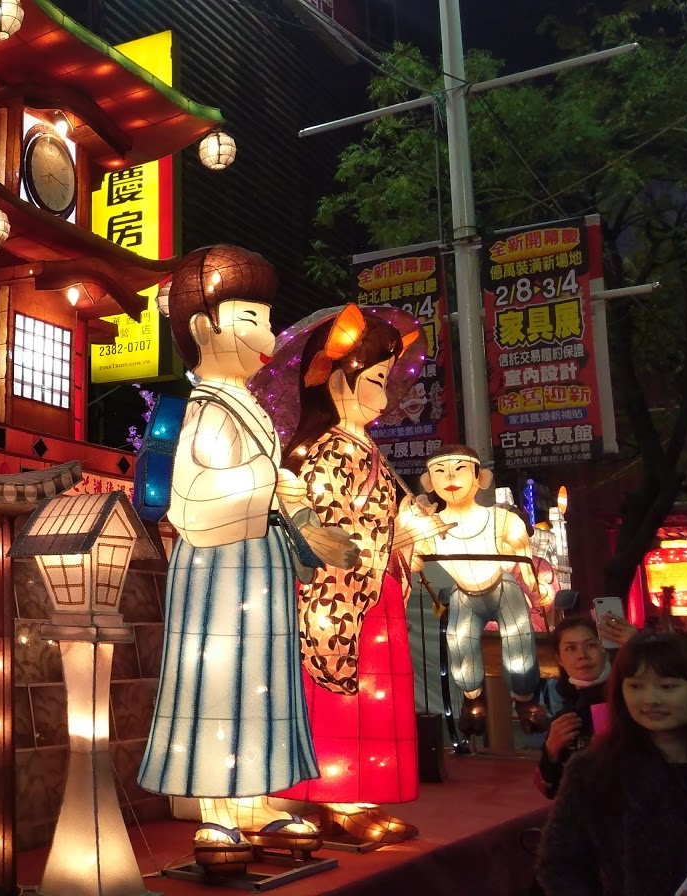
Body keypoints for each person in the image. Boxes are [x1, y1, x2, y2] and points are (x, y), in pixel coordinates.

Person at [137, 246, 355, 866]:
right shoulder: (203, 410)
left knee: (263, 681)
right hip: (218, 569)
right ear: (203, 328)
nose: (267, 335)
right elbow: (191, 498)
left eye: (267, 319)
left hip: (259, 562)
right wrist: (269, 481)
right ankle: (217, 813)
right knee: (219, 681)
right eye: (251, 319)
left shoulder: (246, 404)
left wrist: (285, 495)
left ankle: (256, 799)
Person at [252, 303, 434, 844]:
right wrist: (389, 535)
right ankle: (338, 798)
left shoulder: (365, 448)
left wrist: (408, 531)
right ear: (336, 379)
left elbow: (378, 518)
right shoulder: (327, 449)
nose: (384, 392)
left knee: (372, 699)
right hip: (340, 596)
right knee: (341, 698)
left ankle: (359, 796)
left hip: (372, 590)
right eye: (375, 379)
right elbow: (330, 521)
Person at [536, 633, 687, 896]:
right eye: (635, 686)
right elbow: (558, 864)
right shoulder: (593, 770)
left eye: (667, 686)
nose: (650, 699)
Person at [415, 445, 551, 736]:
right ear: (428, 482)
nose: (450, 477)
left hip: (502, 589)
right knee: (459, 644)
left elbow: (524, 559)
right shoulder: (430, 527)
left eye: (460, 469)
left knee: (518, 640)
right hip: (464, 594)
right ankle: (472, 700)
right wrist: (414, 527)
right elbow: (412, 559)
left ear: (481, 478)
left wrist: (536, 586)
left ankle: (525, 699)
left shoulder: (502, 519)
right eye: (440, 471)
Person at [536, 613, 638, 798]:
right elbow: (552, 790)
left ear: (605, 650)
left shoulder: (633, 699)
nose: (582, 656)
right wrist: (551, 752)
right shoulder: (565, 718)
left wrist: (640, 647)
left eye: (591, 645)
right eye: (571, 648)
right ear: (559, 659)